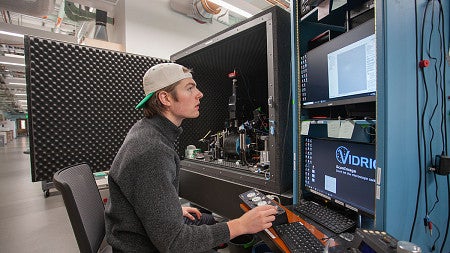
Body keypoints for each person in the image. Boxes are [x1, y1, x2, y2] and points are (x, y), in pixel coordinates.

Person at [104, 62, 277, 252]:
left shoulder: (147, 131)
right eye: (189, 88)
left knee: (208, 219)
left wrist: (170, 210)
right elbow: (175, 243)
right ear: (165, 98)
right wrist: (241, 225)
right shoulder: (152, 150)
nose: (199, 94)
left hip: (142, 237)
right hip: (142, 248)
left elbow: (144, 197)